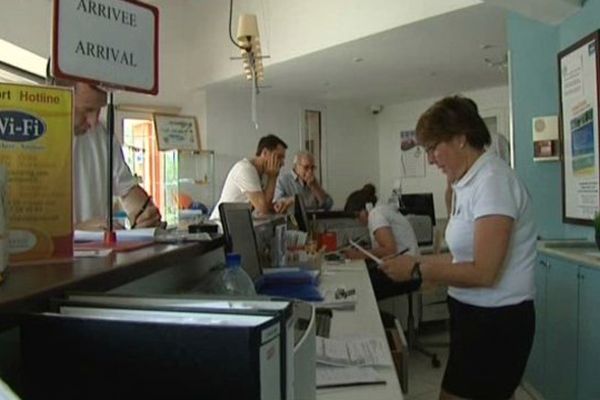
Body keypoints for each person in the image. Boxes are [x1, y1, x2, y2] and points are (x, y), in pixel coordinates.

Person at [380, 95, 537, 400]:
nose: (430, 160)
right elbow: (461, 255)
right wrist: (417, 262)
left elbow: (484, 272)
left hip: (497, 322)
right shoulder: (469, 181)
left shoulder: (493, 181)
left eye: (433, 149)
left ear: (462, 139)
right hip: (471, 316)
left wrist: (417, 267)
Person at [48, 67, 163, 230]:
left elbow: (127, 188)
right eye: (87, 110)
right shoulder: (28, 137)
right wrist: (78, 230)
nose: (94, 121)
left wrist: (144, 213)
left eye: (99, 109)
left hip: (100, 253)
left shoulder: (102, 135)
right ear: (57, 97)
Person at [210, 134, 290, 221]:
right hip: (221, 224)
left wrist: (275, 206)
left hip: (239, 222)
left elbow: (265, 204)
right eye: (278, 157)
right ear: (265, 153)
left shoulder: (265, 174)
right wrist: (273, 177)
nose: (282, 163)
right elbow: (262, 209)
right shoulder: (245, 169)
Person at [343, 184, 418, 260]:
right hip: (408, 262)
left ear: (368, 207)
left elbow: (389, 250)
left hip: (405, 265)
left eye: (358, 215)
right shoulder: (383, 209)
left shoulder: (375, 214)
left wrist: (361, 254)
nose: (357, 220)